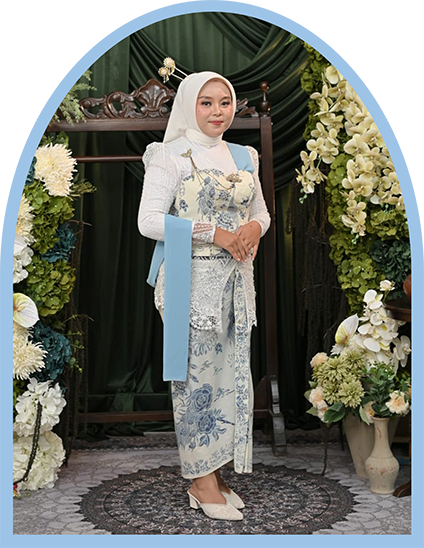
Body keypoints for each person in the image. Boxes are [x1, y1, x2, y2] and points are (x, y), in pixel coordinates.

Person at [137, 62, 271, 521]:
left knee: (230, 378)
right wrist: (215, 233)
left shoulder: (244, 156)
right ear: (188, 106)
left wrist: (253, 227)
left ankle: (214, 471)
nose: (218, 111)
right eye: (207, 103)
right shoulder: (170, 155)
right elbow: (148, 220)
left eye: (225, 102)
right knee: (196, 381)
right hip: (189, 284)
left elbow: (261, 212)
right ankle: (200, 479)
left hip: (236, 284)